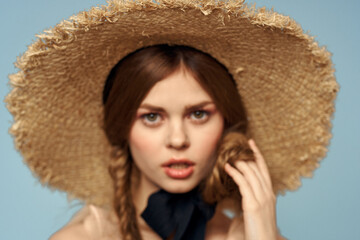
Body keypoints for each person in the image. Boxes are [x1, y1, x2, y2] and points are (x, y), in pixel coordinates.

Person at [5, 0, 338, 240]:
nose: (178, 139)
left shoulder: (246, 235)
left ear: (226, 122)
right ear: (121, 127)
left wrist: (264, 233)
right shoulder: (83, 238)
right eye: (151, 117)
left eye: (198, 114)